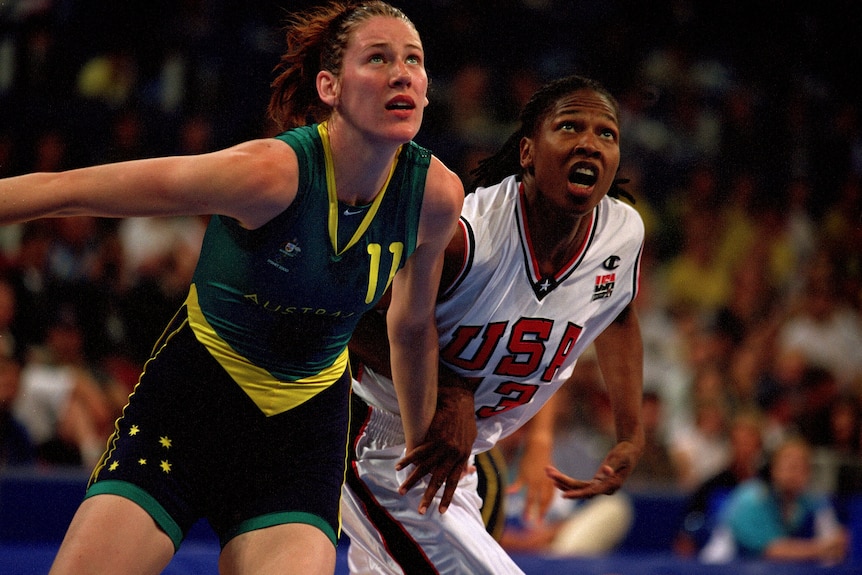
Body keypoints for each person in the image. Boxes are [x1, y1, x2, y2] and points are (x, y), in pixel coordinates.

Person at [0, 2, 464, 574]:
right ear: (329, 86)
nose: (402, 73)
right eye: (378, 58)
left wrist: (413, 449)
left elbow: (412, 326)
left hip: (301, 429)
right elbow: (70, 190)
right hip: (192, 403)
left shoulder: (435, 196)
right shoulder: (267, 176)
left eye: (413, 60)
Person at [343, 74, 645, 574]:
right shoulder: (468, 234)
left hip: (452, 457)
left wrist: (631, 433)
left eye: (606, 133)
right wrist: (450, 388)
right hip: (374, 435)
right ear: (527, 152)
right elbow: (349, 314)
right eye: (569, 127)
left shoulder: (622, 233)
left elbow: (619, 314)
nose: (590, 142)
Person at [700, 436, 849, 565]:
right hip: (722, 567)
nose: (794, 471)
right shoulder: (751, 499)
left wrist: (836, 542)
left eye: (801, 466)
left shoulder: (811, 500)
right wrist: (822, 548)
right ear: (773, 468)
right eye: (788, 464)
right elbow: (773, 551)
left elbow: (835, 543)